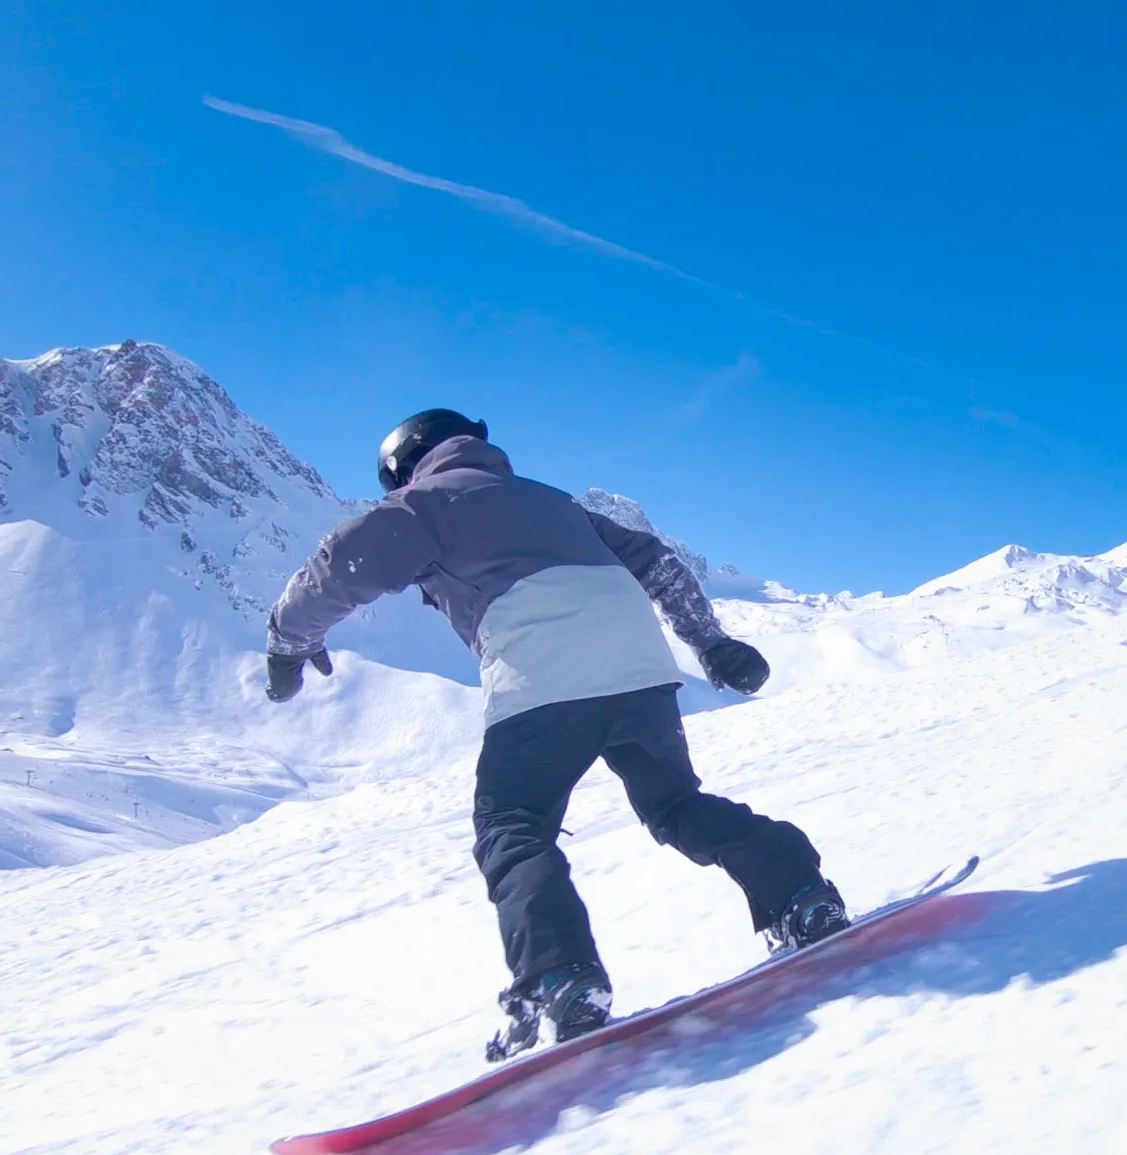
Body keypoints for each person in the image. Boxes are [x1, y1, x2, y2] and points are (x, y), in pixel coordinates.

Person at [264, 408, 850, 1060]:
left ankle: (558, 978)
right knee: (675, 806)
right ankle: (799, 892)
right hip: (639, 667)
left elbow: (339, 565)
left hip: (542, 666)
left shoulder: (420, 505)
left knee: (512, 825)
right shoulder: (555, 502)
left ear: (404, 466)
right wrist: (708, 644)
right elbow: (657, 562)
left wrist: (286, 643)